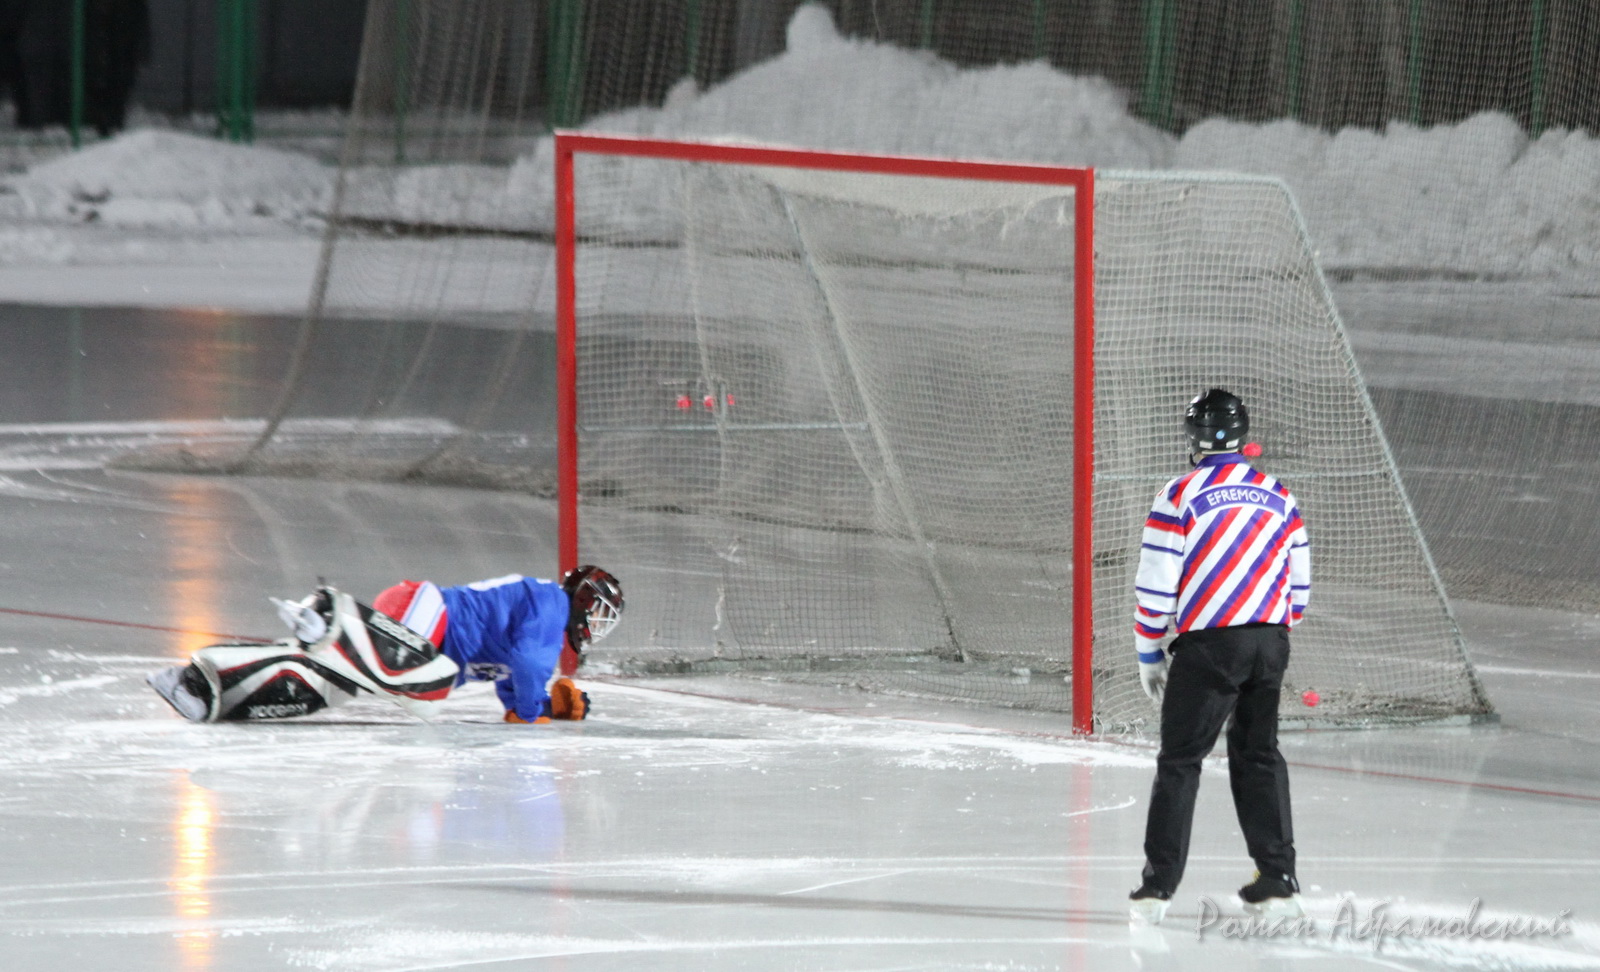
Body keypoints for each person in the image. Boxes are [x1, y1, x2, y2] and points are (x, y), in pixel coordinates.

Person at [1126, 389, 1310, 925]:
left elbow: (1157, 583)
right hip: (1270, 640)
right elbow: (1299, 581)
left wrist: (1148, 648)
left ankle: (1158, 887)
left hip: (1211, 647)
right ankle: (1277, 877)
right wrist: (1274, 627)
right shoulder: (1277, 493)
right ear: (1243, 435)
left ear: (1193, 437)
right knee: (1259, 755)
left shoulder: (1179, 494)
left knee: (1181, 761)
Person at [147, 566, 623, 726]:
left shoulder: (538, 619)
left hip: (423, 628)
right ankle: (323, 624)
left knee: (328, 682)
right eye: (599, 613)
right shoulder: (551, 603)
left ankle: (213, 690)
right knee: (389, 674)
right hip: (427, 616)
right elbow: (528, 667)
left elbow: (514, 686)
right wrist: (537, 708)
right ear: (583, 601)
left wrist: (544, 706)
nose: (597, 625)